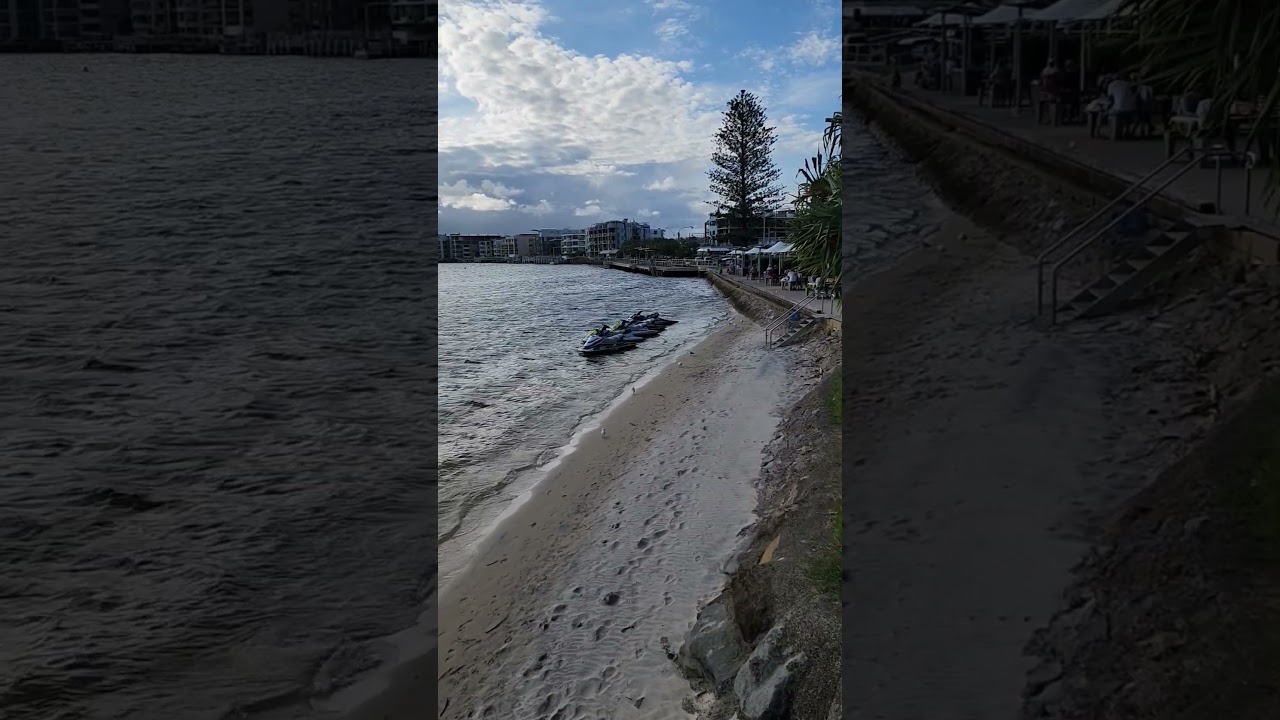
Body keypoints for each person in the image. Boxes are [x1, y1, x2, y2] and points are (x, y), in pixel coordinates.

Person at [1105, 73, 1138, 139]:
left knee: (1108, 112)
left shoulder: (1112, 85)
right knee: (1128, 115)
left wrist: (1107, 108)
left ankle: (1111, 131)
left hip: (1118, 109)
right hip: (1130, 109)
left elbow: (1110, 99)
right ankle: (1127, 131)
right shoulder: (1129, 84)